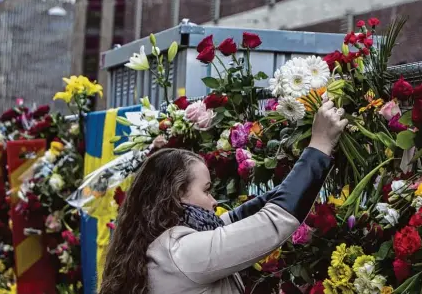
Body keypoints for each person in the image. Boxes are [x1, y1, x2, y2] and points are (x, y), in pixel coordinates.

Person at [99, 99, 348, 294]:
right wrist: (320, 145)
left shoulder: (163, 245)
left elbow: (237, 218)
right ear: (176, 196)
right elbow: (273, 221)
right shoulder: (183, 252)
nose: (214, 201)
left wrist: (311, 169)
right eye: (206, 190)